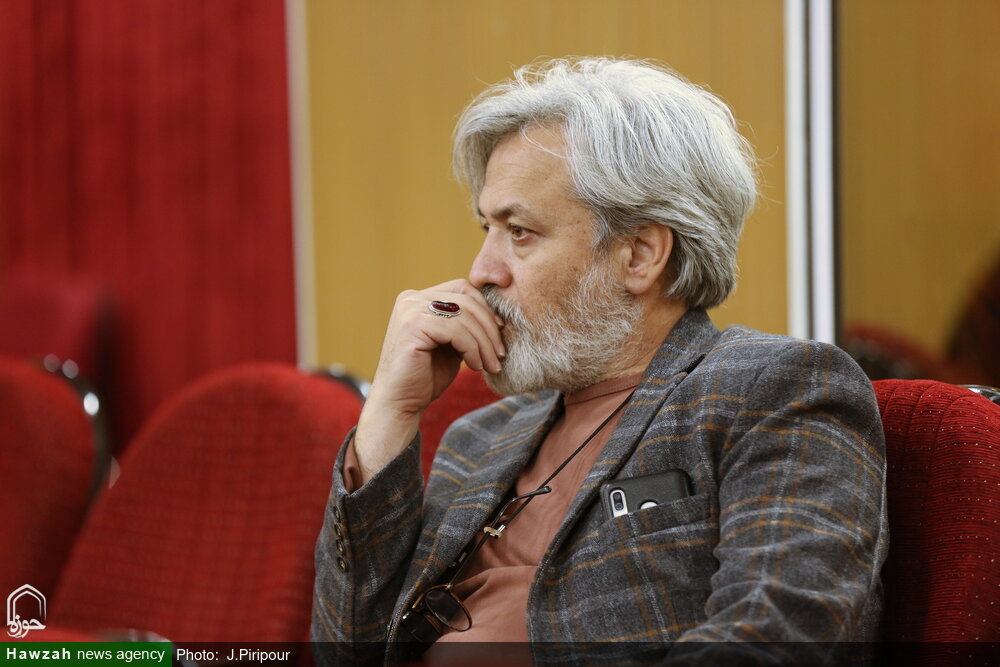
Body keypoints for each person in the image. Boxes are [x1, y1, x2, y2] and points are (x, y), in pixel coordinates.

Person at [312, 57, 888, 666]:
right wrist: (390, 413)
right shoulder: (476, 440)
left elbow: (778, 637)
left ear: (639, 254)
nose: (481, 272)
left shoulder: (774, 389)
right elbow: (345, 653)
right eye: (487, 228)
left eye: (519, 231)